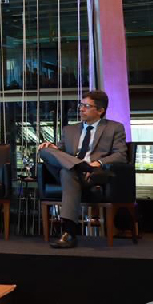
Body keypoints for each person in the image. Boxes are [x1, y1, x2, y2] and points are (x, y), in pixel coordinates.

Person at [38, 90, 128, 249]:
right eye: (81, 105)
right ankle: (79, 165)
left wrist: (98, 163)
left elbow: (121, 155)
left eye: (87, 106)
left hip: (92, 175)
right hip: (77, 169)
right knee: (44, 151)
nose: (81, 109)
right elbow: (60, 152)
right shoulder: (69, 130)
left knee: (67, 171)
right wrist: (53, 147)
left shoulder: (114, 128)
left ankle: (69, 233)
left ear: (100, 110)